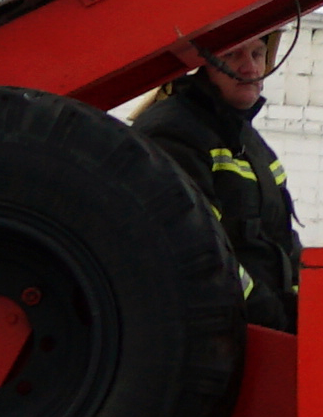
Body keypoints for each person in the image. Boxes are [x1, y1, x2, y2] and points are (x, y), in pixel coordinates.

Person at [129, 25, 302, 327]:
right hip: (212, 331)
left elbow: (282, 242)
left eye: (257, 53)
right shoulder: (172, 133)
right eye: (233, 54)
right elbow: (198, 250)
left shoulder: (250, 142)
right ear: (200, 63)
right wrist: (271, 315)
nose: (250, 67)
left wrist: (310, 305)